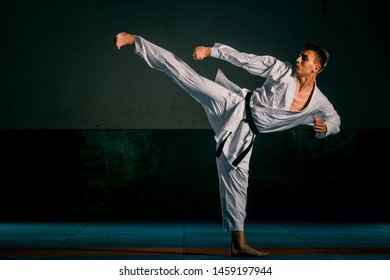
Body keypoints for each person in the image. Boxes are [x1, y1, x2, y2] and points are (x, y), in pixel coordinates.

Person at [113, 32, 341, 257]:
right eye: (300, 55)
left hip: (245, 132)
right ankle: (135, 40)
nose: (298, 59)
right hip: (233, 104)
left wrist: (326, 128)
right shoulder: (281, 71)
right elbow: (244, 59)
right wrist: (210, 51)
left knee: (238, 182)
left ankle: (238, 243)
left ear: (316, 68)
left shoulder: (318, 102)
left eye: (305, 58)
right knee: (186, 75)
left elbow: (335, 120)